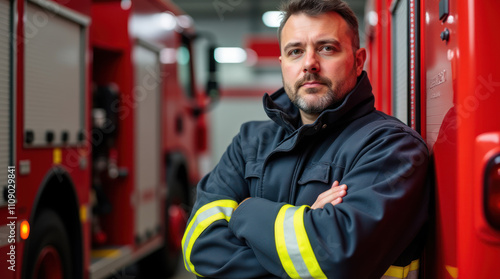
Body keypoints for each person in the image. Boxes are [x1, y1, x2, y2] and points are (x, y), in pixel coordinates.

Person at [182, 0, 429, 278]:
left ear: (358, 60)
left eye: (327, 48)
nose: (310, 63)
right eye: (295, 51)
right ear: (282, 63)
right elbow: (199, 246)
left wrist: (245, 211)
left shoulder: (392, 147)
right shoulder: (249, 142)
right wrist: (308, 228)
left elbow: (337, 259)